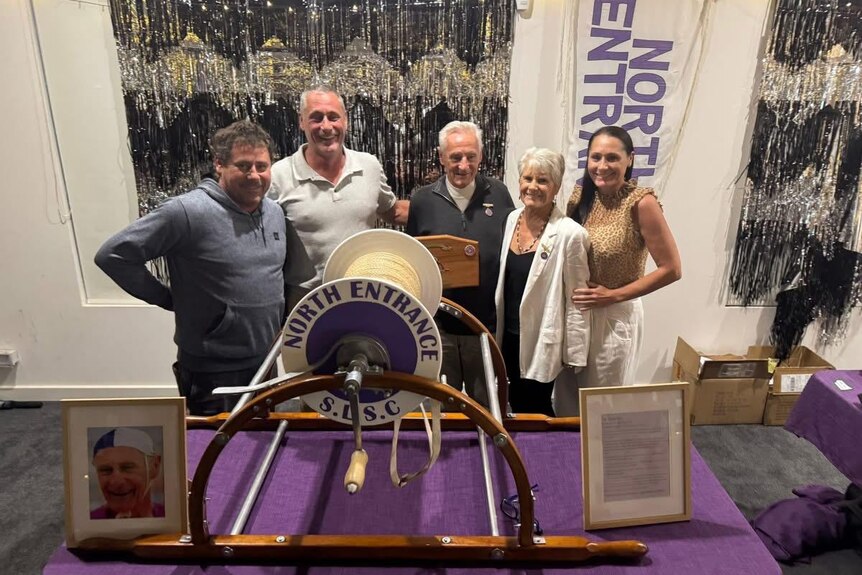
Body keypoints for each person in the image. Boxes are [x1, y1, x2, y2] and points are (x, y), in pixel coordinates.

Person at [95, 120, 287, 416]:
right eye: (243, 165)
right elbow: (114, 255)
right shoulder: (186, 212)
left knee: (266, 444)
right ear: (219, 165)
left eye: (262, 166)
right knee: (215, 451)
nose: (254, 175)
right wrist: (168, 298)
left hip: (266, 363)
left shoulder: (274, 213)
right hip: (213, 371)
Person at [554, 126, 681, 416]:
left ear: (630, 160)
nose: (602, 166)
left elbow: (672, 269)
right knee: (566, 402)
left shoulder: (641, 202)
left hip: (614, 317)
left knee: (602, 406)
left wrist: (612, 296)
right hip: (575, 314)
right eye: (595, 157)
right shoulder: (579, 197)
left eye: (612, 158)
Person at [268, 85, 409, 308]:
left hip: (364, 296)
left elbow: (394, 211)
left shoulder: (369, 165)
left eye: (333, 117)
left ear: (346, 121)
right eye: (316, 118)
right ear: (302, 122)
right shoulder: (278, 175)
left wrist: (443, 208)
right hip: (304, 303)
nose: (326, 126)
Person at [406, 121, 514, 408]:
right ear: (442, 157)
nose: (463, 166)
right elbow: (412, 262)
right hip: (439, 329)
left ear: (481, 156)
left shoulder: (500, 194)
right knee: (442, 411)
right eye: (455, 157)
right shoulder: (422, 200)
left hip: (485, 328)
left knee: (488, 410)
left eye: (471, 157)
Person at [493, 148, 590, 416]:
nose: (532, 187)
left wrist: (575, 353)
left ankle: (542, 456)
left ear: (556, 186)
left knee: (536, 408)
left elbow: (577, 298)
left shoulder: (571, 234)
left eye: (542, 180)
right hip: (508, 337)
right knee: (510, 402)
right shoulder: (512, 219)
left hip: (541, 338)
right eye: (527, 178)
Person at [90, 428, 164, 519]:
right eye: (106, 470)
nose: (116, 482)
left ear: (154, 467)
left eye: (127, 468)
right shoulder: (90, 522)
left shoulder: (172, 518)